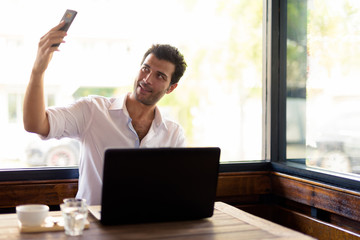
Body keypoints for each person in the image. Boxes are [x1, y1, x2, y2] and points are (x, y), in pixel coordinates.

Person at [23, 21, 187, 205]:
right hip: (92, 229)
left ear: (171, 88)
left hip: (145, 228)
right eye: (145, 69)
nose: (147, 79)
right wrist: (38, 71)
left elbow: (173, 190)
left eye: (160, 76)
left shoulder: (174, 134)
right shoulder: (92, 110)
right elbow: (35, 124)